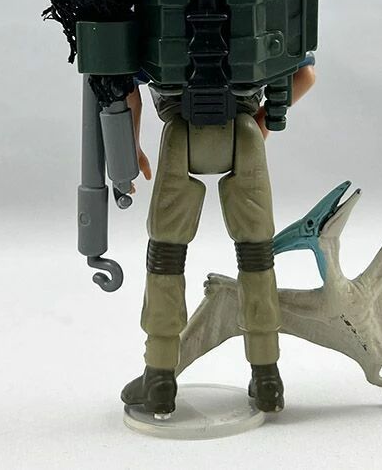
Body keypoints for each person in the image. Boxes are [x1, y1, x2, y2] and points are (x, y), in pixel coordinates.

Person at [121, 57, 316, 414]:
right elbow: (305, 76)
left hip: (180, 133)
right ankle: (267, 375)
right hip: (243, 131)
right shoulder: (260, 21)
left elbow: (127, 89)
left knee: (166, 254)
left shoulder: (158, 19)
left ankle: (159, 376)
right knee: (256, 254)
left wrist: (130, 148)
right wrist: (262, 122)